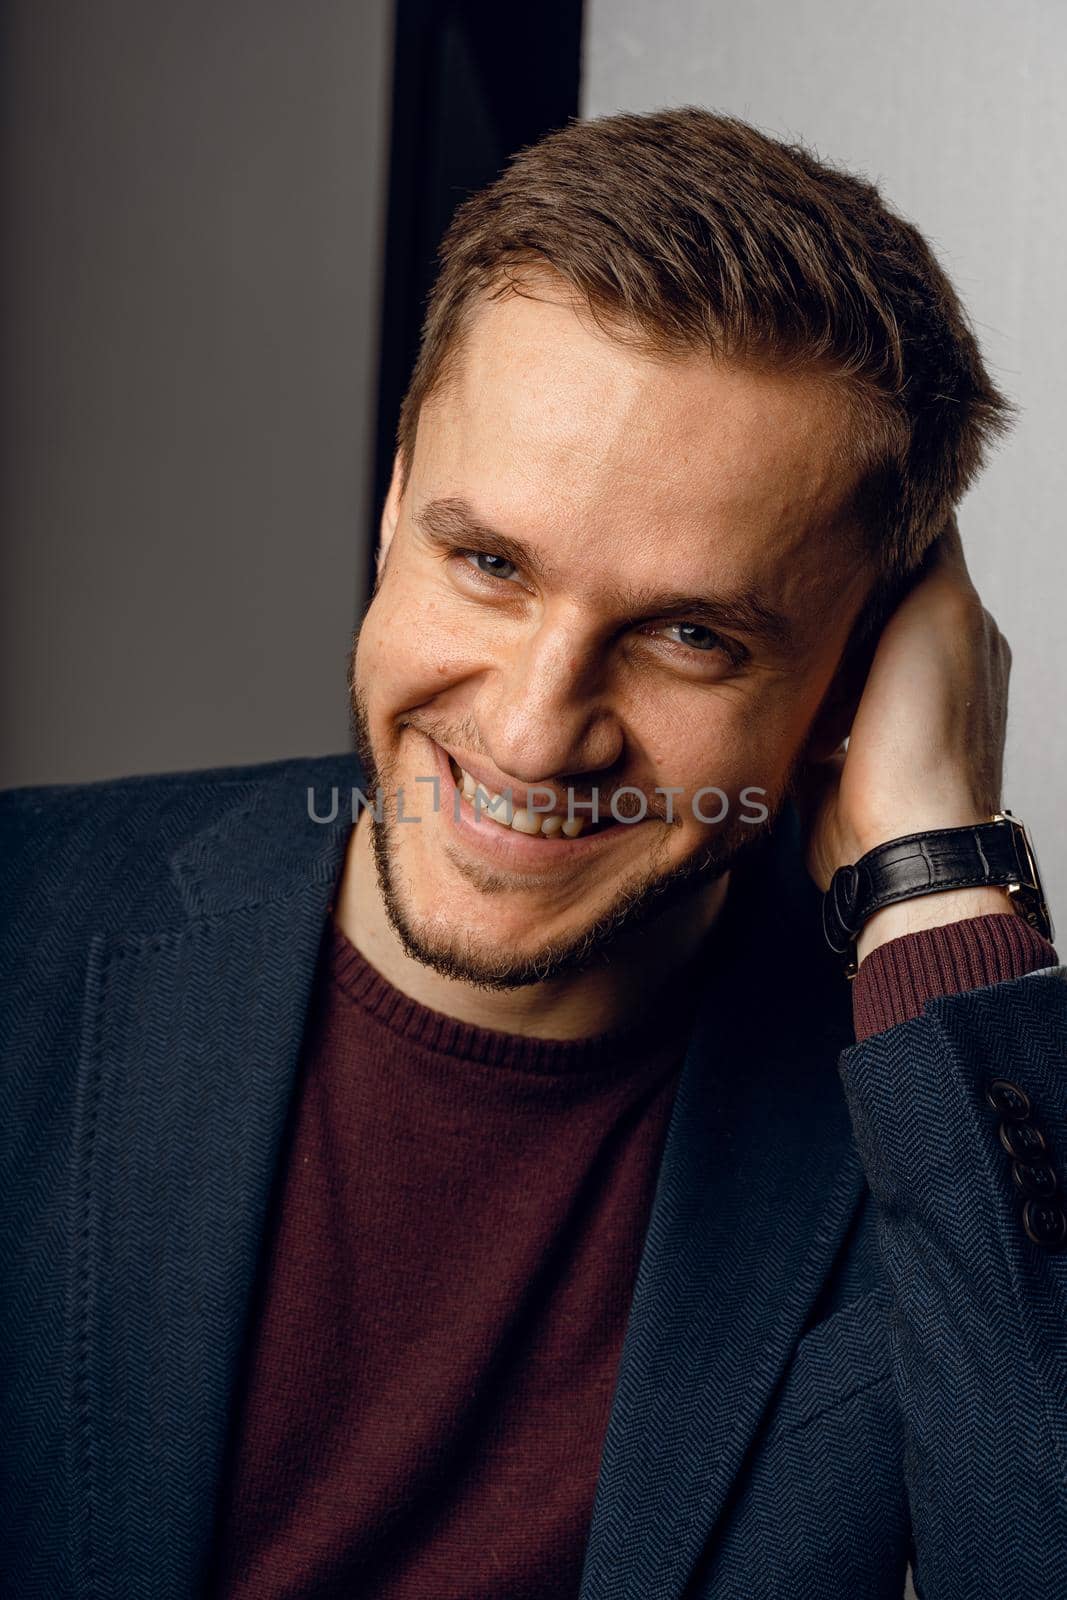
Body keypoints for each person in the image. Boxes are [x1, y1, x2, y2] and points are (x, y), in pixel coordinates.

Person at [2, 108, 1064, 1600]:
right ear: (392, 510)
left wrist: (939, 873)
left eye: (690, 634)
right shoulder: (23, 924)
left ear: (856, 676)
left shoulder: (942, 1114)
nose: (534, 728)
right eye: (488, 562)